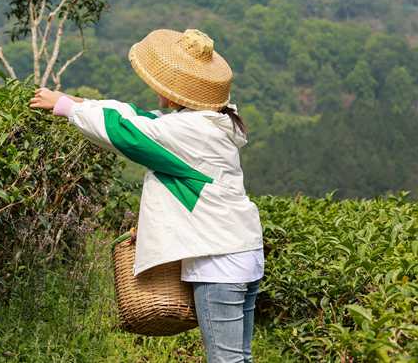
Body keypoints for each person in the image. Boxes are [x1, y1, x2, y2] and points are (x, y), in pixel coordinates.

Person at [30, 28, 263, 363]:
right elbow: (139, 116)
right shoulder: (212, 121)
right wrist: (81, 102)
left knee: (225, 361)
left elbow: (128, 133)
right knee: (240, 357)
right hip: (243, 253)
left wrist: (66, 107)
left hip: (219, 263)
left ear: (173, 92)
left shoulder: (187, 132)